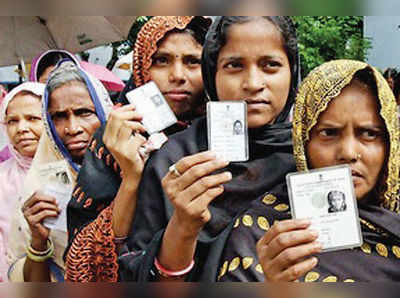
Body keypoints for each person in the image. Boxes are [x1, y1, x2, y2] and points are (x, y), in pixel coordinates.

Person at [111, 16, 300, 282]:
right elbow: (137, 273)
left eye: (270, 65)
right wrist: (183, 227)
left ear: (293, 72)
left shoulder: (311, 157)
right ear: (212, 73)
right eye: (234, 65)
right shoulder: (174, 159)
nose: (254, 83)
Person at [217, 60, 400, 282]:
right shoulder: (264, 231)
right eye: (329, 133)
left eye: (369, 134)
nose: (349, 152)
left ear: (391, 144)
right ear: (303, 144)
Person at [65, 16, 211, 282]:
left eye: (193, 61)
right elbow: (81, 265)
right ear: (142, 65)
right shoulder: (115, 136)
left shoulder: (227, 136)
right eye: (161, 60)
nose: (177, 75)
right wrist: (131, 178)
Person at [7, 61, 113, 282]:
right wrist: (38, 240)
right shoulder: (40, 184)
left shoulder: (134, 169)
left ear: (104, 111)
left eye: (84, 112)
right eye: (59, 117)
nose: (72, 128)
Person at [0, 83, 45, 281]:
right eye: (12, 121)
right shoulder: (2, 177)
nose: (21, 128)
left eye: (33, 118)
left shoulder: (74, 171)